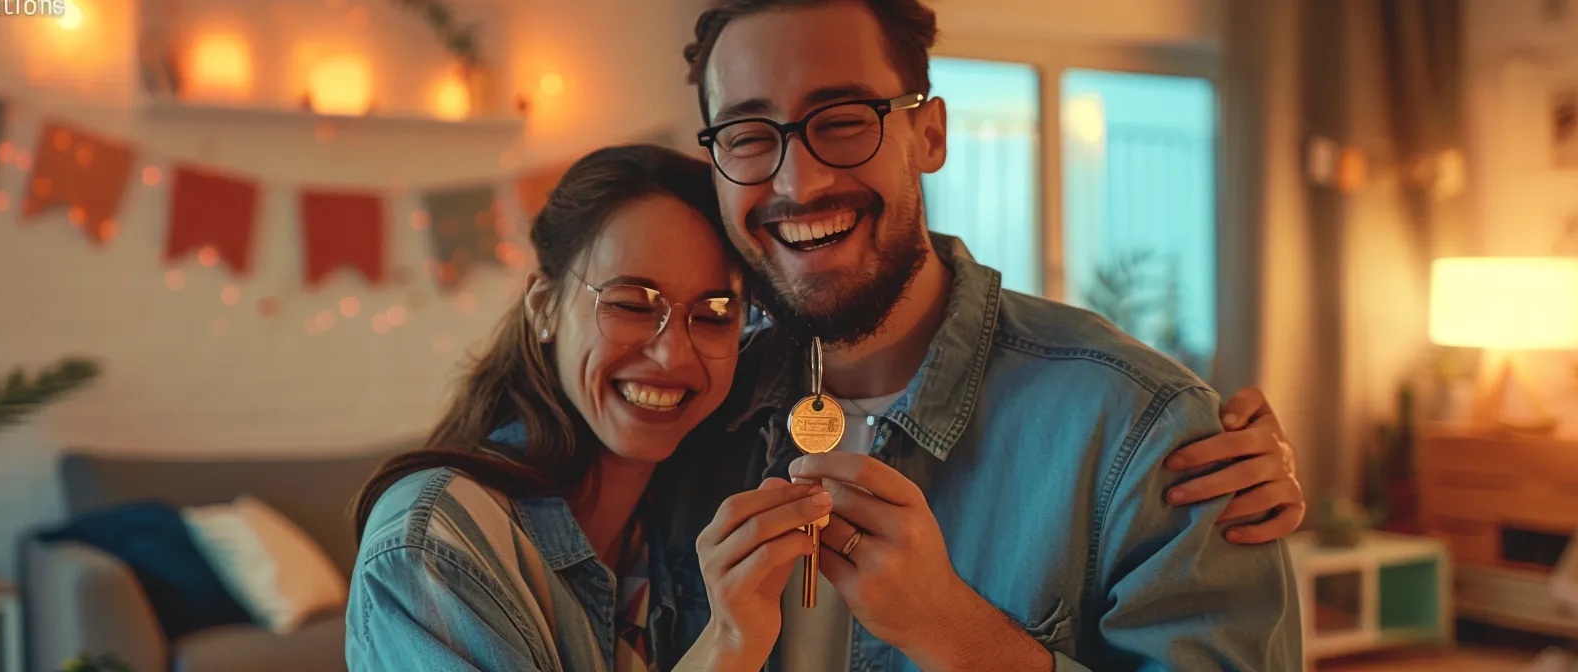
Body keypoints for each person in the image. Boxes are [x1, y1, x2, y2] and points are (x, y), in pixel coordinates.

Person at [343, 143, 1301, 670]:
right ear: (546, 303)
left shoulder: (702, 465)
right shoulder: (438, 543)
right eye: (631, 301)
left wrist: (1197, 425)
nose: (674, 351)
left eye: (716, 312)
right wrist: (723, 647)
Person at [668, 0, 1304, 670]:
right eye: (746, 136)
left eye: (845, 121)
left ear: (930, 135)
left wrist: (957, 634)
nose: (799, 180)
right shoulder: (690, 416)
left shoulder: (1146, 437)